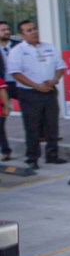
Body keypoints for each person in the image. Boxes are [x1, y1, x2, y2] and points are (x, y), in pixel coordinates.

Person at [7, 20, 67, 167]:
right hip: (29, 94)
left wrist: (55, 80)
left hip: (49, 91)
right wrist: (36, 86)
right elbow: (16, 73)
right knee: (32, 127)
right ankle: (32, 158)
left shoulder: (49, 47)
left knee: (52, 125)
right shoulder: (17, 51)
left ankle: (52, 155)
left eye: (34, 29)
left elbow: (60, 67)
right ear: (22, 35)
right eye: (29, 30)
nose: (34, 32)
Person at [0, 21, 19, 162]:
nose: (6, 31)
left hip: (20, 83)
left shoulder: (18, 45)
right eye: (2, 29)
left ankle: (41, 135)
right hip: (2, 85)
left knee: (33, 110)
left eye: (7, 29)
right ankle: (5, 151)